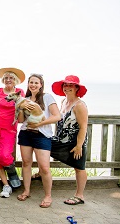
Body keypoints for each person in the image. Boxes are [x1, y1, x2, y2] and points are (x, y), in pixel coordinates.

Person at [16, 74, 61, 208]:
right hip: (25, 134)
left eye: (36, 83)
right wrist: (20, 107)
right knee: (26, 163)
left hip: (42, 135)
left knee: (44, 168)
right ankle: (27, 191)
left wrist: (39, 124)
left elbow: (57, 116)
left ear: (41, 85)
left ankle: (48, 196)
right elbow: (20, 121)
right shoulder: (26, 99)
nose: (33, 85)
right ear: (28, 84)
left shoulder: (47, 97)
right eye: (31, 82)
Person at [0, 67, 25, 198]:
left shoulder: (19, 92)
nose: (8, 80)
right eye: (6, 78)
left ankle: (13, 175)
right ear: (3, 80)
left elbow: (22, 107)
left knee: (4, 155)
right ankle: (6, 185)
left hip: (9, 128)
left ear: (16, 81)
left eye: (11, 78)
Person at [51, 75, 88, 205]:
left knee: (79, 167)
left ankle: (79, 196)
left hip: (75, 141)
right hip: (61, 139)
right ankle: (40, 172)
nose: (67, 88)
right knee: (43, 145)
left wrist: (79, 146)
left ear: (77, 88)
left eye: (71, 85)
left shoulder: (80, 105)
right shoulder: (63, 102)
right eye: (65, 85)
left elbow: (83, 127)